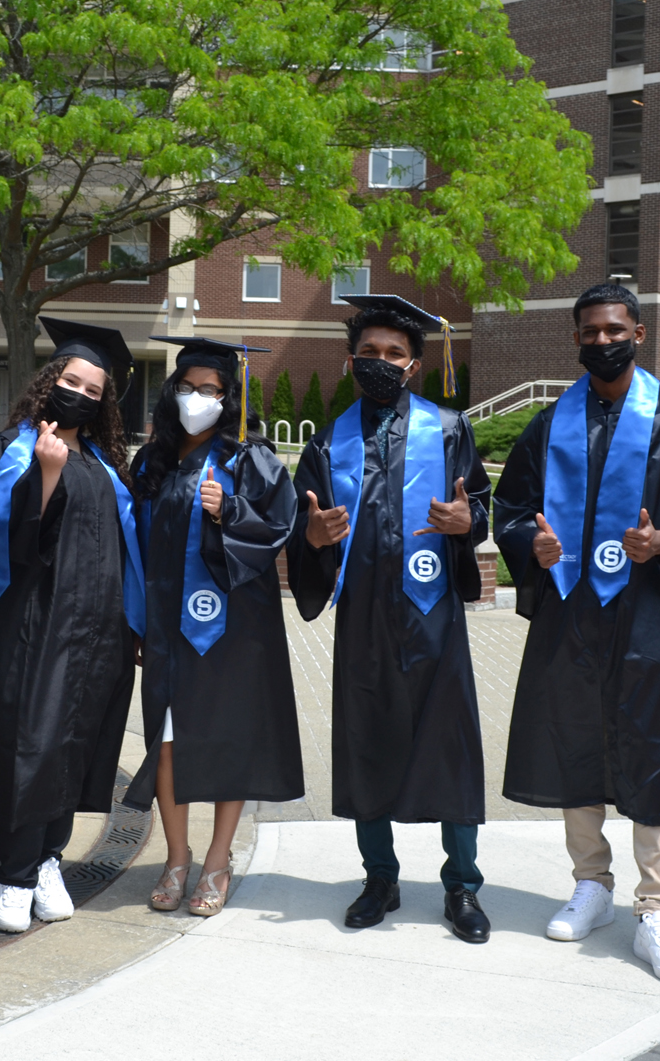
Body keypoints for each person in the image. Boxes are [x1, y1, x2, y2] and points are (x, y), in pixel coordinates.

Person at [289, 295, 492, 943]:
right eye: (369, 353)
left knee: (451, 752)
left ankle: (461, 885)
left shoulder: (449, 429)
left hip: (433, 623)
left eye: (394, 354)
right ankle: (381, 878)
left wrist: (470, 524)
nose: (381, 363)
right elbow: (303, 523)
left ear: (413, 365)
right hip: (365, 625)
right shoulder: (327, 440)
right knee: (365, 747)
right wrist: (313, 538)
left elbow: (477, 506)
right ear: (352, 362)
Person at [494, 283, 660, 972]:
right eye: (588, 332)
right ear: (575, 339)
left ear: (639, 333)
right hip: (571, 607)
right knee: (574, 737)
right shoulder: (549, 423)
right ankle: (591, 882)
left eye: (613, 329)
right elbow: (513, 508)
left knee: (652, 741)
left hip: (648, 608)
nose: (601, 341)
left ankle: (654, 904)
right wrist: (526, 545)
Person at [0, 317, 143, 934]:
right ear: (50, 381)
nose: (82, 395)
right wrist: (45, 474)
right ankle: (13, 876)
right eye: (73, 381)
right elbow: (6, 545)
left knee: (77, 746)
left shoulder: (102, 464)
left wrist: (134, 622)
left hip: (97, 633)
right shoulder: (11, 448)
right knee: (32, 743)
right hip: (32, 628)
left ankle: (49, 858)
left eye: (94, 392)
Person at [125, 336, 303, 917]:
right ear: (171, 392)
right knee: (169, 744)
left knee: (227, 741)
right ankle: (178, 858)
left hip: (232, 630)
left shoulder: (252, 460)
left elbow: (279, 528)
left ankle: (218, 862)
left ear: (230, 398)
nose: (197, 397)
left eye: (211, 389)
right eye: (188, 386)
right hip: (165, 628)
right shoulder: (151, 461)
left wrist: (230, 511)